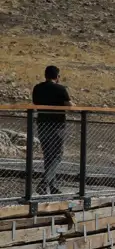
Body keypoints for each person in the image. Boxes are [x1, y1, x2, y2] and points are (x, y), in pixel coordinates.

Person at [32, 65, 72, 194]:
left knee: (48, 155)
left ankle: (52, 186)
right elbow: (69, 105)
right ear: (57, 76)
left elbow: (36, 103)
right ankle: (44, 183)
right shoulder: (60, 89)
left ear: (45, 75)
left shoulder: (37, 88)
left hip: (42, 123)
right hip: (57, 125)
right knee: (57, 155)